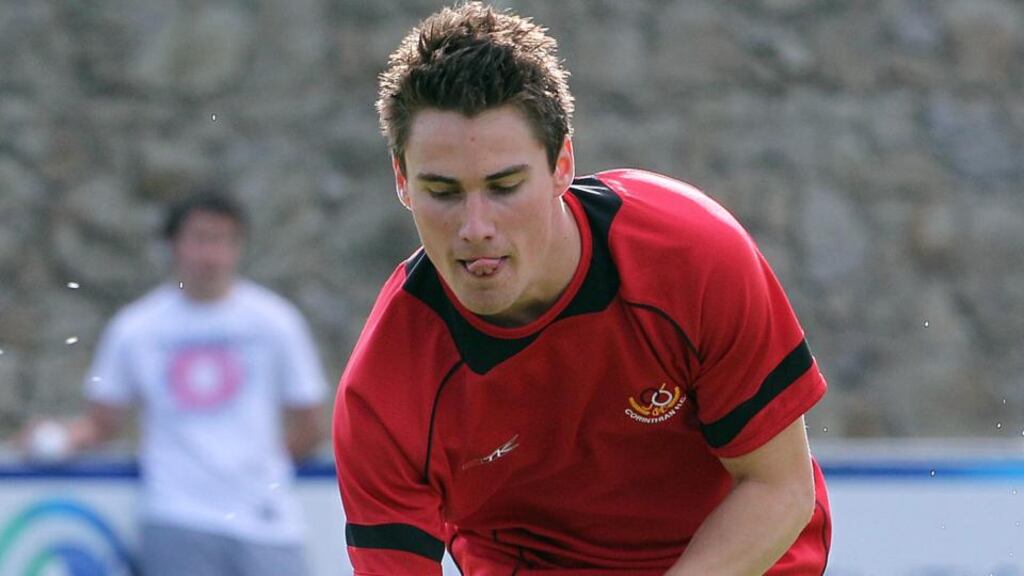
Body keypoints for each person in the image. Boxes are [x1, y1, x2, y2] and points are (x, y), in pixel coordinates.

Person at [333, 3, 831, 574]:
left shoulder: (690, 255)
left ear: (562, 164)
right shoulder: (382, 394)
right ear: (402, 181)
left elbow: (779, 488)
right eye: (443, 191)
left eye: (504, 185)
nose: (475, 228)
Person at [20, 190, 329, 576]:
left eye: (222, 241)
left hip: (268, 520)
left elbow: (310, 424)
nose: (210, 255)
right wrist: (56, 439)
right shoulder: (136, 327)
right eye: (200, 239)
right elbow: (101, 423)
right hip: (176, 517)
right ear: (173, 246)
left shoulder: (275, 321)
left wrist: (255, 471)